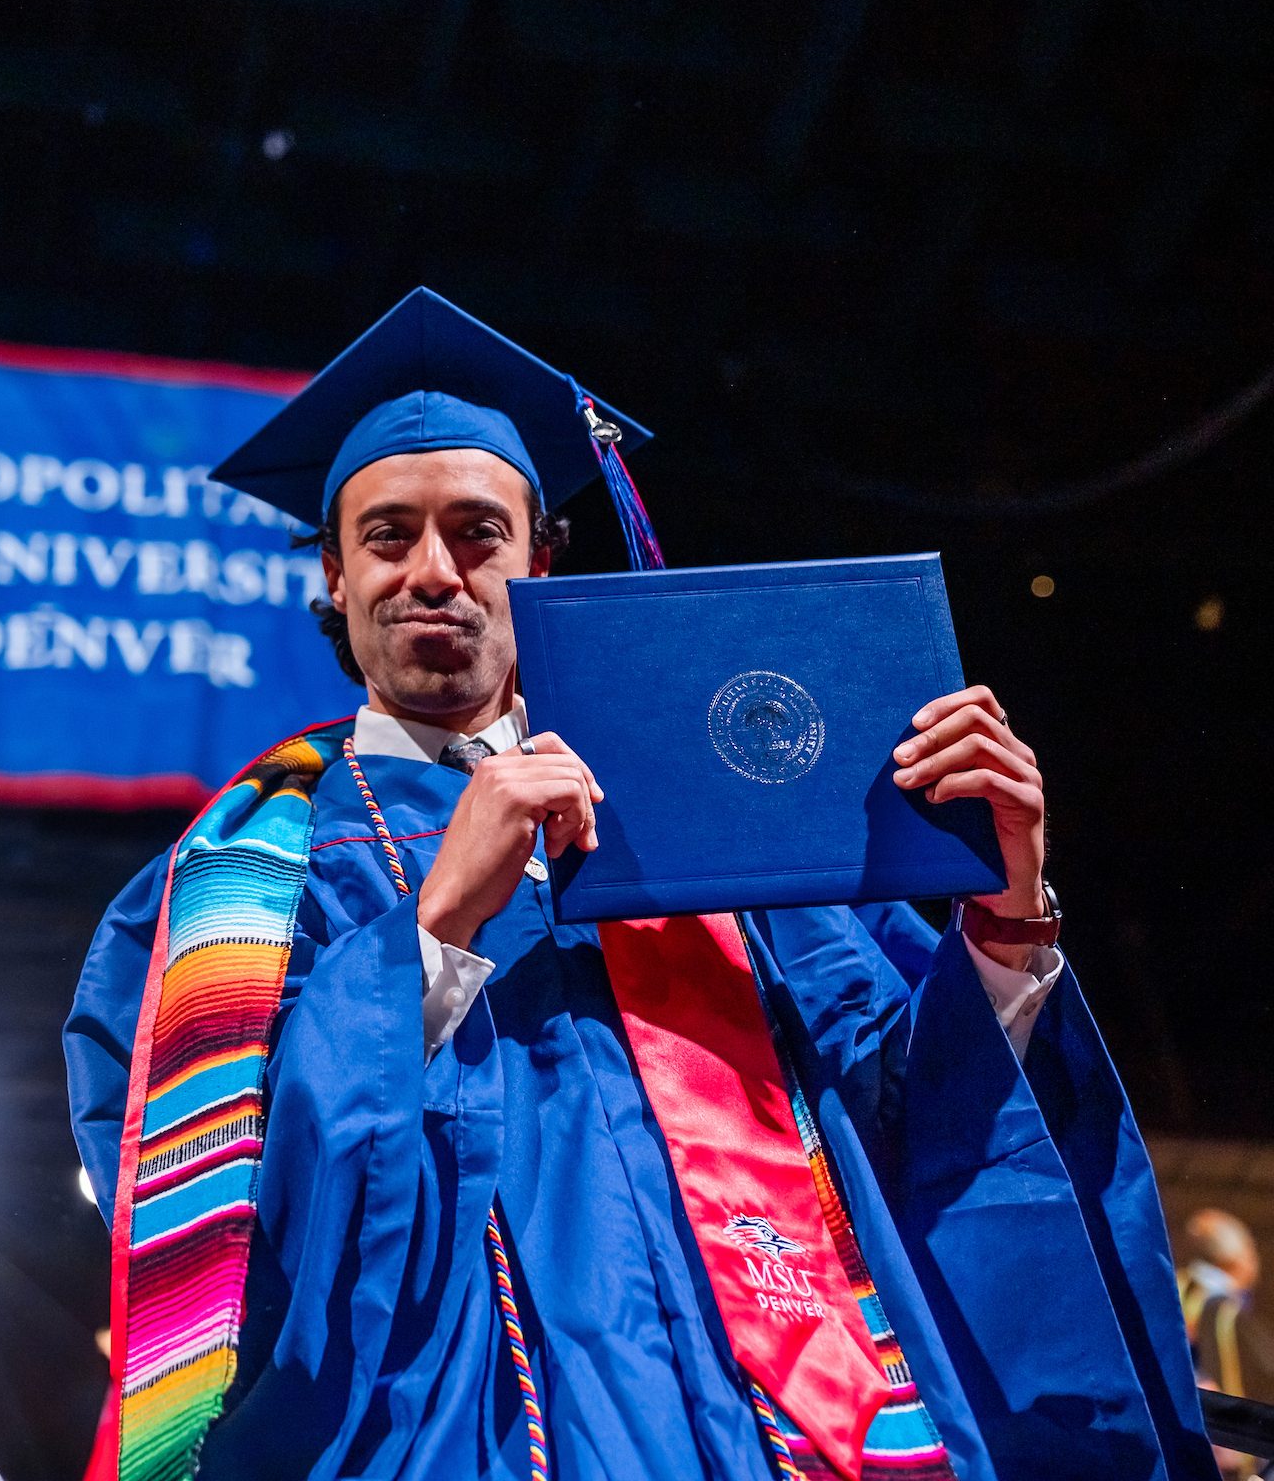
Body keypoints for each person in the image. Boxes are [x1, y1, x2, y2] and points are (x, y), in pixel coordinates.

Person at [65, 289, 1211, 1481]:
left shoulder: (707, 811)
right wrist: (432, 927)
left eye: (478, 532)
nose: (434, 572)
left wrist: (1008, 911)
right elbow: (207, 1220)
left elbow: (907, 1109)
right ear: (335, 581)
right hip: (459, 1436)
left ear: (543, 563)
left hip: (782, 1431)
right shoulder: (241, 877)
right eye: (389, 536)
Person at [1178, 1209, 1272, 1476]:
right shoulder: (1221, 1310)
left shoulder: (1179, 1289)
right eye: (1250, 1248)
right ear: (1233, 1258)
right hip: (1218, 1437)